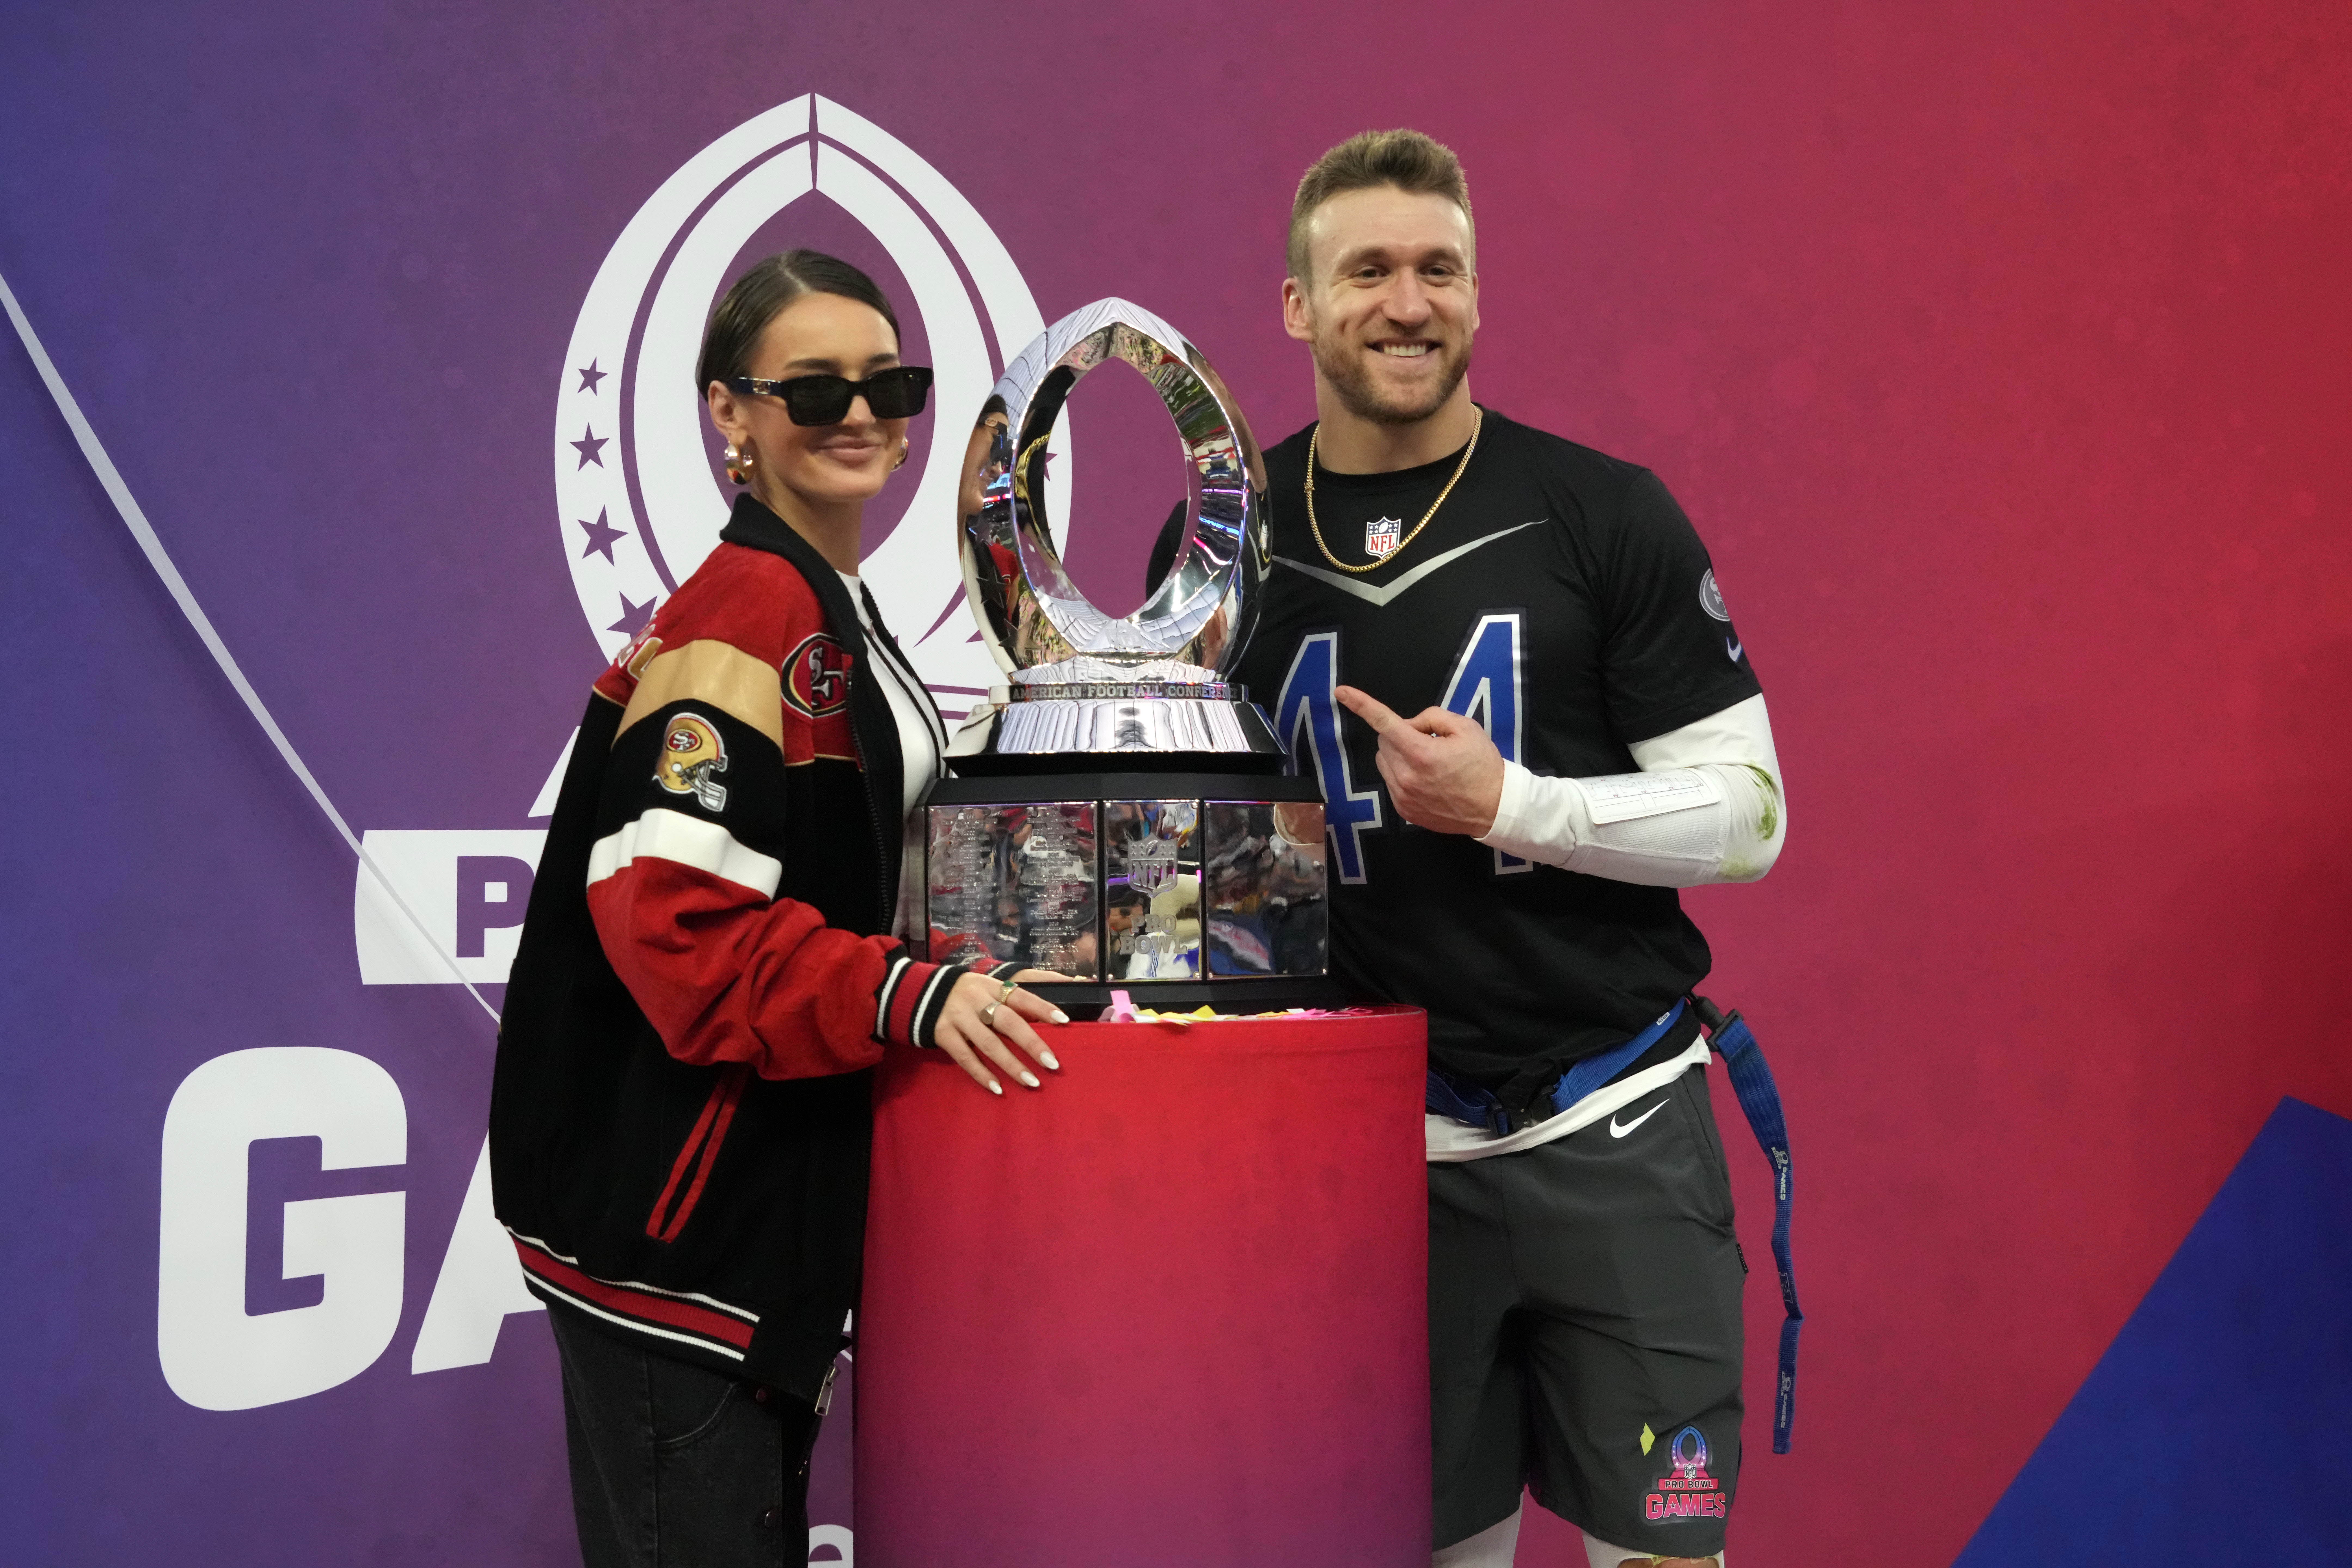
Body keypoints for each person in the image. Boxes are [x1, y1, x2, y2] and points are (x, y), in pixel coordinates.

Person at [1202, 131, 1789, 1567]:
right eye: (1369, 272)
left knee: (1667, 1553)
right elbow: (1204, 876)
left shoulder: (1606, 513)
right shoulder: (1222, 548)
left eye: (1438, 269)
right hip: (1375, 1164)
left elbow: (1752, 816)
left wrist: (1518, 807)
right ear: (1296, 305)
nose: (1408, 303)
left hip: (1620, 1131)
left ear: (1477, 293)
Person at [490, 249, 1064, 1567]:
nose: (861, 414)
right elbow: (677, 927)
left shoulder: (830, 604)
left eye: (890, 383)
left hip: (745, 1221)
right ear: (729, 414)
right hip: (679, 1233)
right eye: (813, 390)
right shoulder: (751, 611)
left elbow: (843, 874)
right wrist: (910, 993)